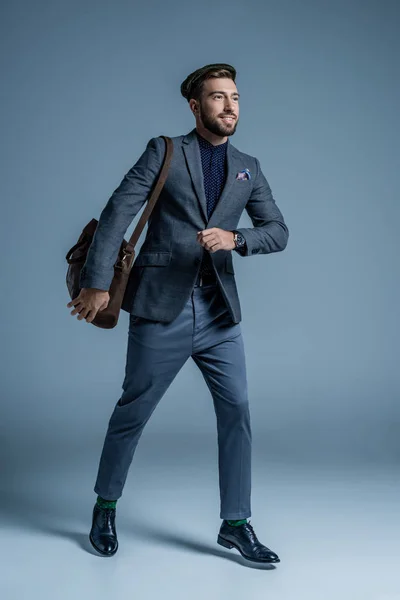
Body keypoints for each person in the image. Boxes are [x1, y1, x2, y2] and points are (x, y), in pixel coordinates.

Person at [67, 63, 289, 564]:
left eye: (234, 97)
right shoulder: (165, 150)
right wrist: (97, 284)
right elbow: (119, 211)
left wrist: (238, 239)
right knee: (133, 412)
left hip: (219, 313)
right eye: (218, 98)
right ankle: (105, 507)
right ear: (196, 106)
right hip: (161, 307)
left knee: (237, 411)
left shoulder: (248, 165)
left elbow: (277, 230)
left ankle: (236, 523)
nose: (230, 106)